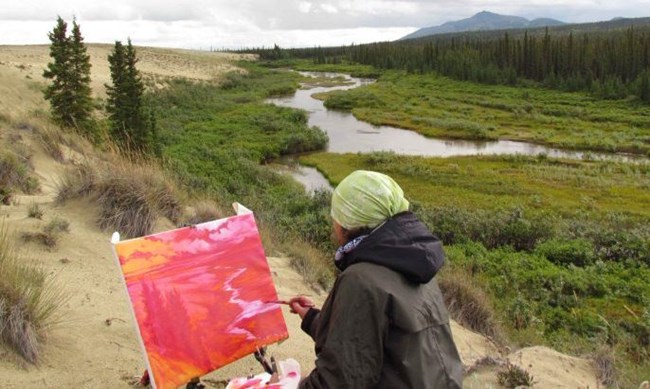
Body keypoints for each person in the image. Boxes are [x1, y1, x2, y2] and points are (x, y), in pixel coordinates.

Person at [289, 170, 463, 388]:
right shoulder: (414, 262)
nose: (332, 223)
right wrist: (313, 319)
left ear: (347, 224)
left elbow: (341, 381)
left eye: (336, 215)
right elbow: (373, 339)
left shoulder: (360, 279)